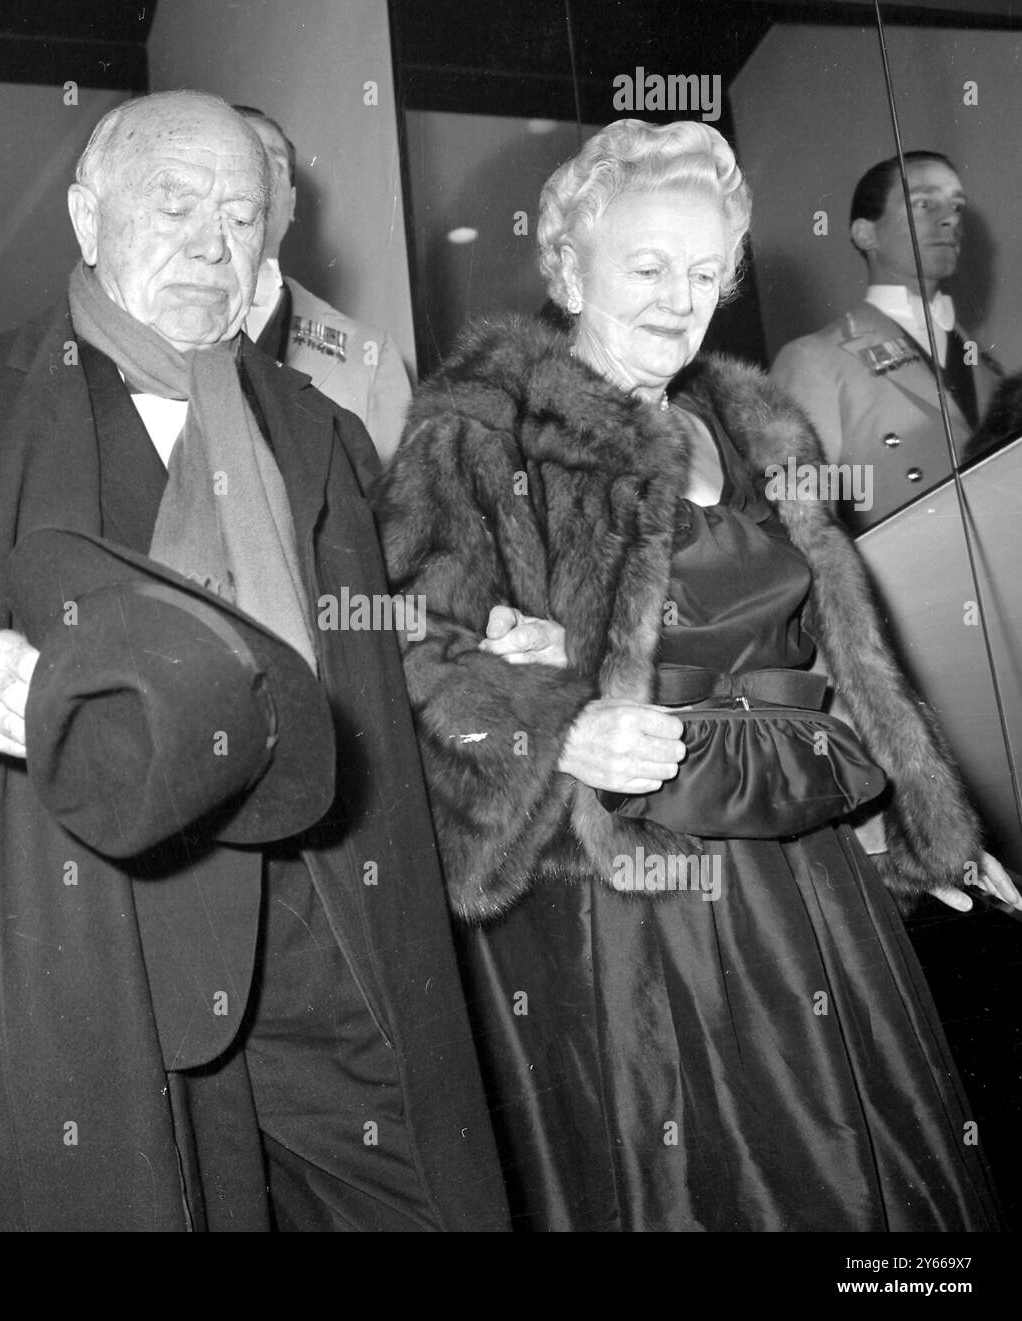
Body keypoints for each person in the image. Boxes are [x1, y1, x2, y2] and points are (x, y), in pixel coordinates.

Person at [0, 91, 508, 1232]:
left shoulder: (323, 430)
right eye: (176, 204)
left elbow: (381, 649)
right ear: (84, 214)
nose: (217, 243)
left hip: (335, 942)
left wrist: (485, 648)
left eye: (244, 215)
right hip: (95, 947)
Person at [374, 118, 1020, 1232]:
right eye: (646, 267)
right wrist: (557, 727)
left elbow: (834, 652)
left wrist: (922, 823)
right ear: (569, 267)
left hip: (801, 872)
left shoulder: (753, 419)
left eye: (705, 271)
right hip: (625, 897)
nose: (681, 298)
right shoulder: (479, 431)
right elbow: (404, 648)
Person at [771, 152, 1004, 531]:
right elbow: (803, 528)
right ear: (866, 233)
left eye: (957, 207)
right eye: (924, 204)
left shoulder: (988, 369)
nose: (950, 220)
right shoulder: (815, 360)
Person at [233, 105, 413, 464]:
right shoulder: (147, 322)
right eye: (240, 158)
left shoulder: (370, 354)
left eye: (273, 164)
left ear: (293, 203)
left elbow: (402, 506)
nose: (257, 176)